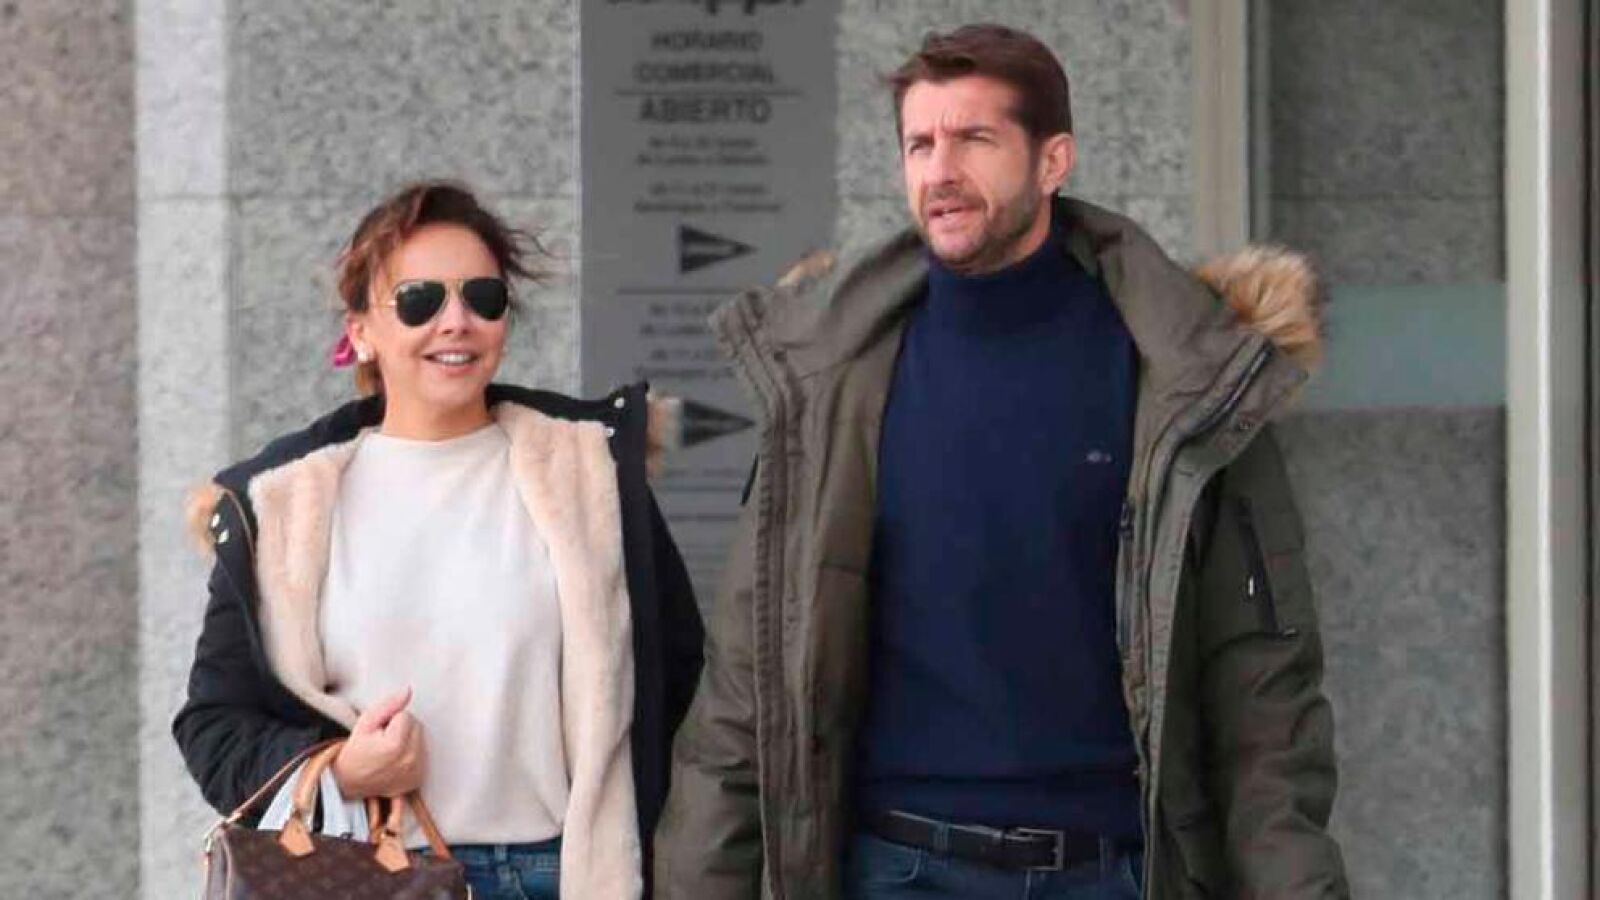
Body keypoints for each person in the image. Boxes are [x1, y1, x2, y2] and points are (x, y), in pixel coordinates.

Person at [656, 23, 1349, 900]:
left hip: (1114, 870)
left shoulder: (1186, 377)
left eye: (974, 139)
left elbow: (1264, 699)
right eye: (920, 144)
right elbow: (744, 692)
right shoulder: (830, 384)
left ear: (1053, 160)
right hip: (898, 869)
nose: (940, 170)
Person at [173, 180, 704, 899]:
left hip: (561, 875)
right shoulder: (283, 505)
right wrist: (340, 770)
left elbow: (681, 682)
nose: (456, 321)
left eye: (483, 297)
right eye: (419, 300)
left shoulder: (590, 477)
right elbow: (213, 727)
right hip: (371, 877)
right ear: (362, 330)